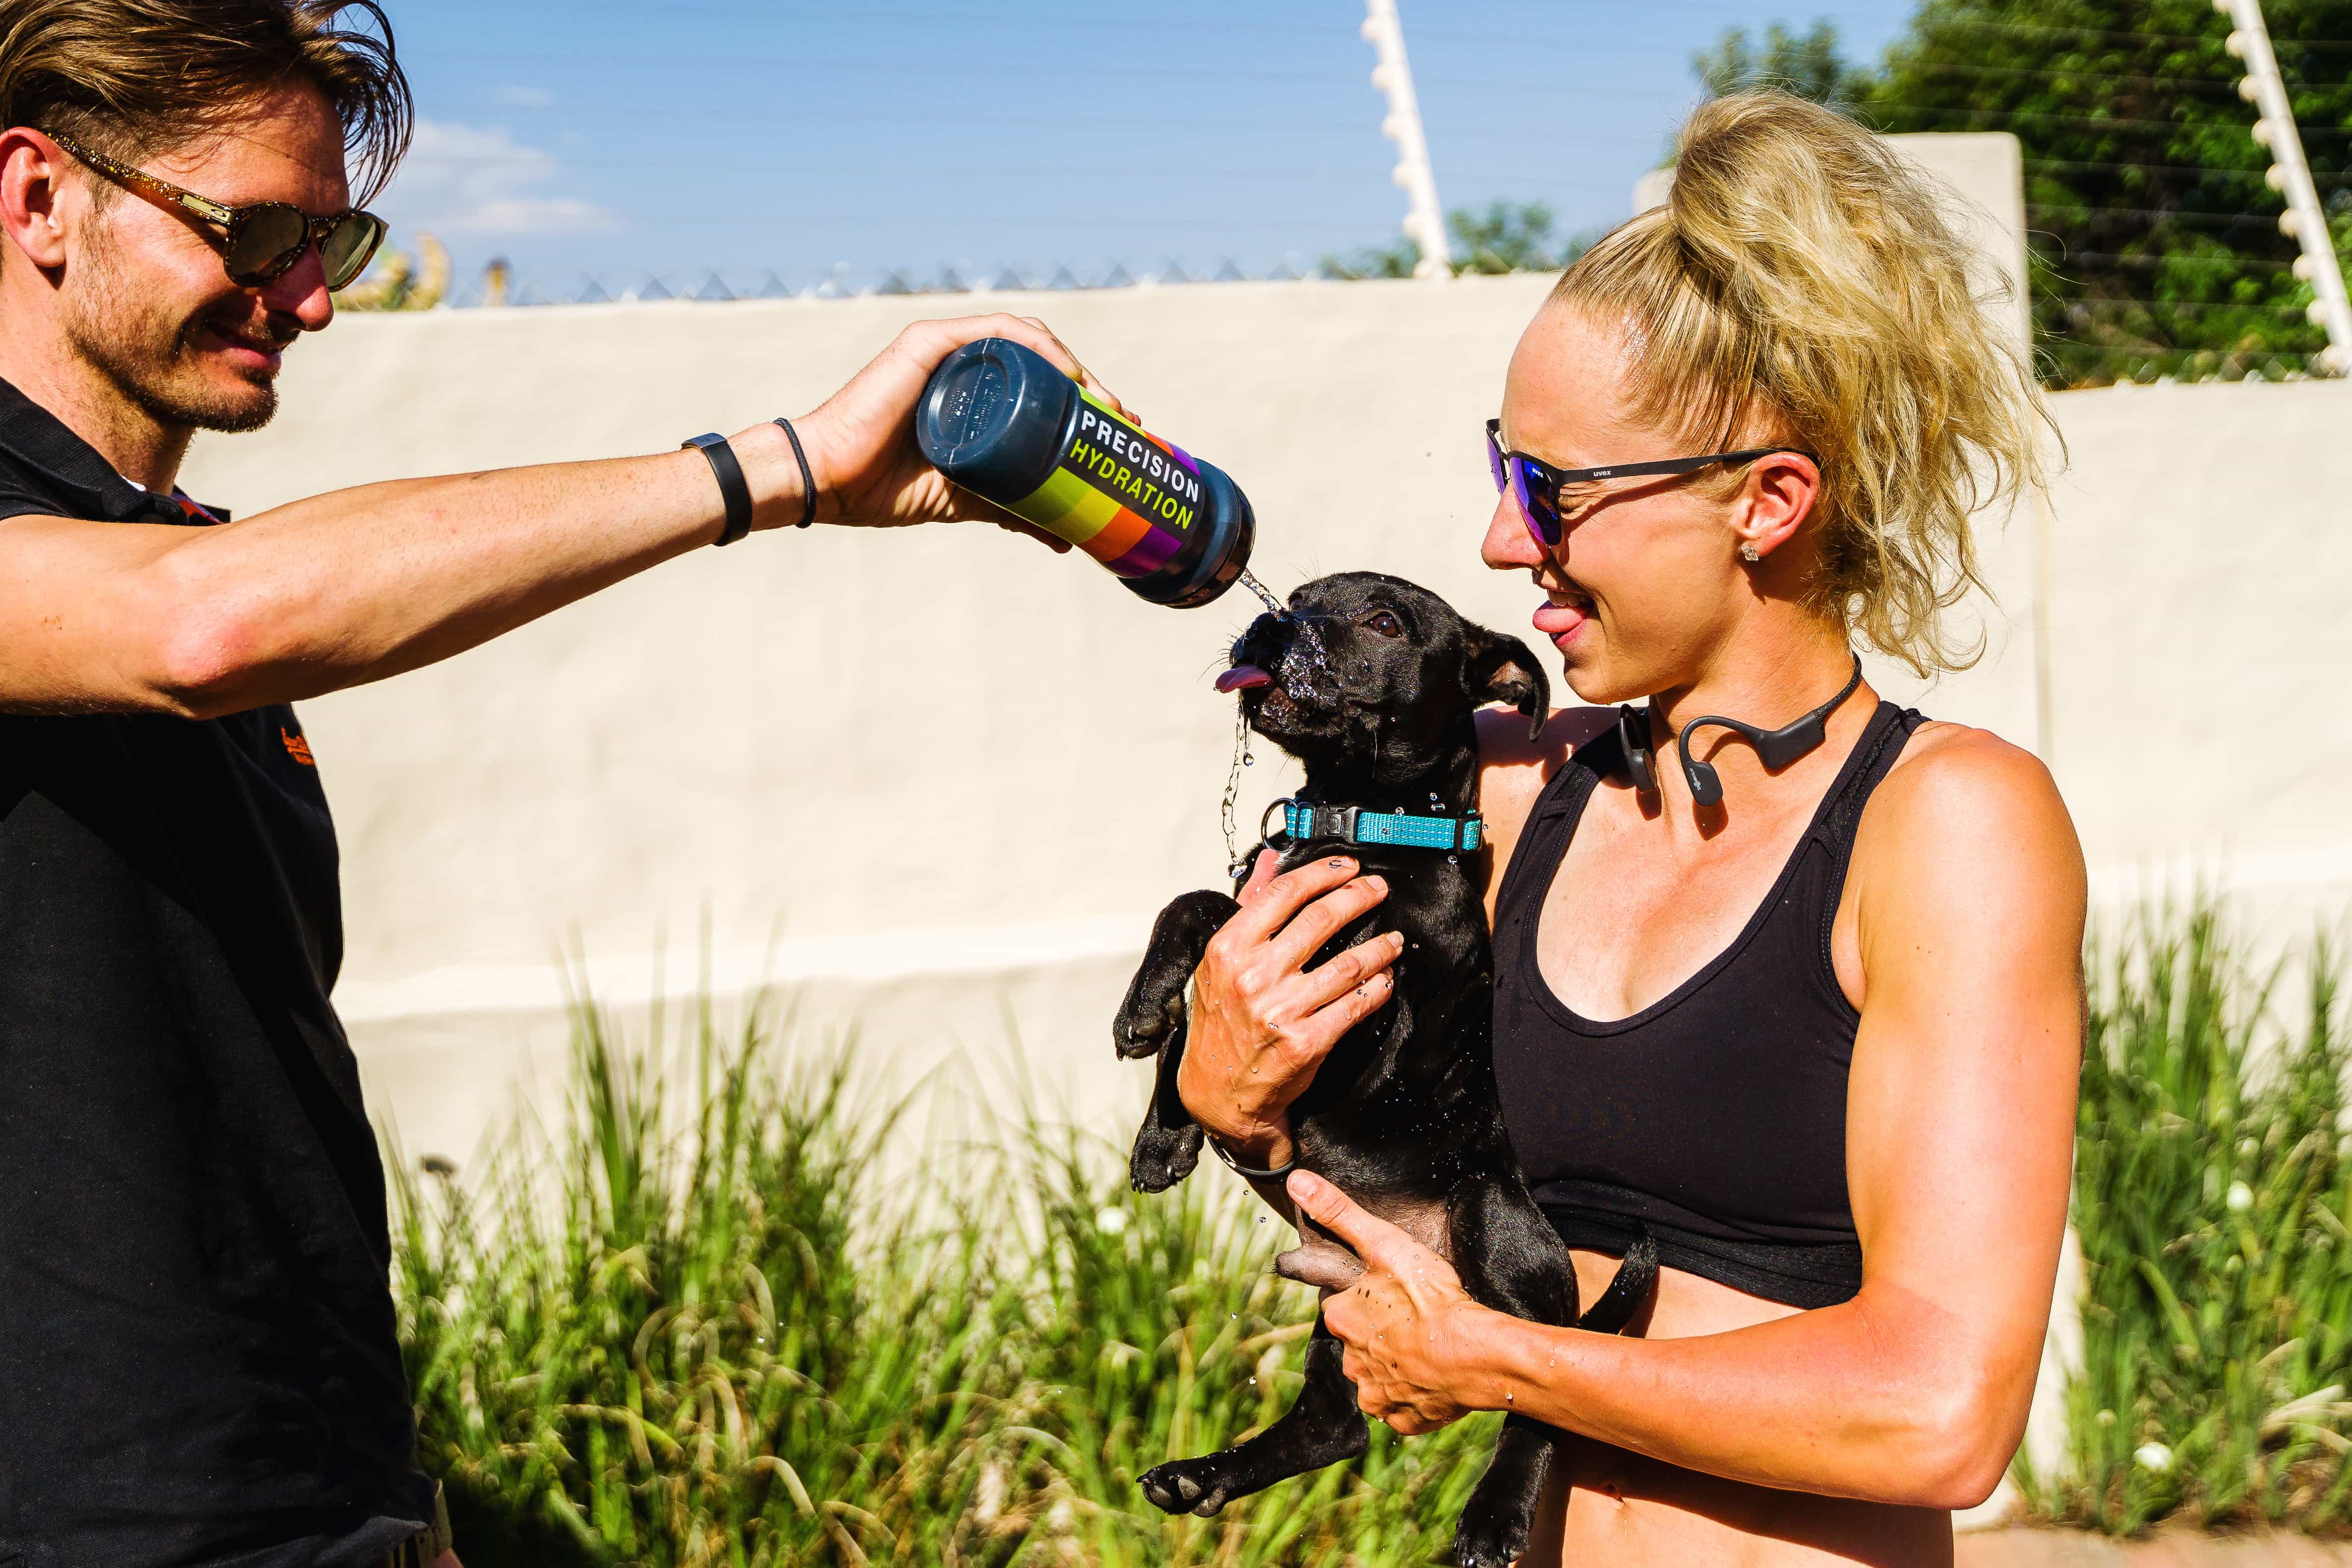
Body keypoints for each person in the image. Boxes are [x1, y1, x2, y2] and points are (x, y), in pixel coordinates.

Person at [0, 3, 1112, 1564]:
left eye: (338, 238)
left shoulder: (186, 556)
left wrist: (398, 1502)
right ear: (39, 194)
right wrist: (775, 469)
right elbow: (209, 628)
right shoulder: (181, 600)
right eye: (253, 230)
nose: (308, 298)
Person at [1176, 91, 2085, 1567]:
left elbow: (1940, 1410)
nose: (1497, 541)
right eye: (1497, 470)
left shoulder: (1945, 828)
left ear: (1769, 500)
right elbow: (1401, 1229)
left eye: (1552, 490)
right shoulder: (1516, 792)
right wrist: (1236, 1099)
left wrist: (1504, 1363)